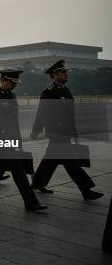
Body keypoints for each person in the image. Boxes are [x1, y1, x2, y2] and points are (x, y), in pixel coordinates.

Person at [30, 60, 104, 200]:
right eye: (62, 72)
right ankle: (86, 190)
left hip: (65, 132)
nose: (65, 74)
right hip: (56, 132)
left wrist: (73, 131)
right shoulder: (49, 92)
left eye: (65, 72)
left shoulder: (65, 90)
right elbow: (41, 112)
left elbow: (69, 114)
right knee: (71, 163)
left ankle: (38, 183)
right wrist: (36, 130)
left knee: (50, 160)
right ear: (54, 75)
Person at [0, 70, 47, 211]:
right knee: (18, 169)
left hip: (12, 136)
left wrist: (18, 139)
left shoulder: (11, 95)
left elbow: (14, 120)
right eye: (12, 82)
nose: (14, 86)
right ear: (3, 80)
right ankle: (30, 202)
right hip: (1, 137)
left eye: (15, 83)